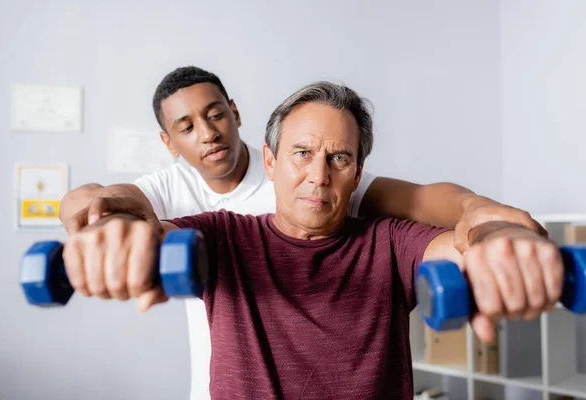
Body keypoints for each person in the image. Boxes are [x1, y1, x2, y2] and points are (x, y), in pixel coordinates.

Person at [59, 67, 545, 399]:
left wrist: (496, 236)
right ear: (270, 161)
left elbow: (454, 246)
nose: (318, 175)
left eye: (339, 158)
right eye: (301, 154)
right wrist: (116, 228)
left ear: (357, 174)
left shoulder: (390, 240)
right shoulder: (220, 233)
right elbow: (146, 225)